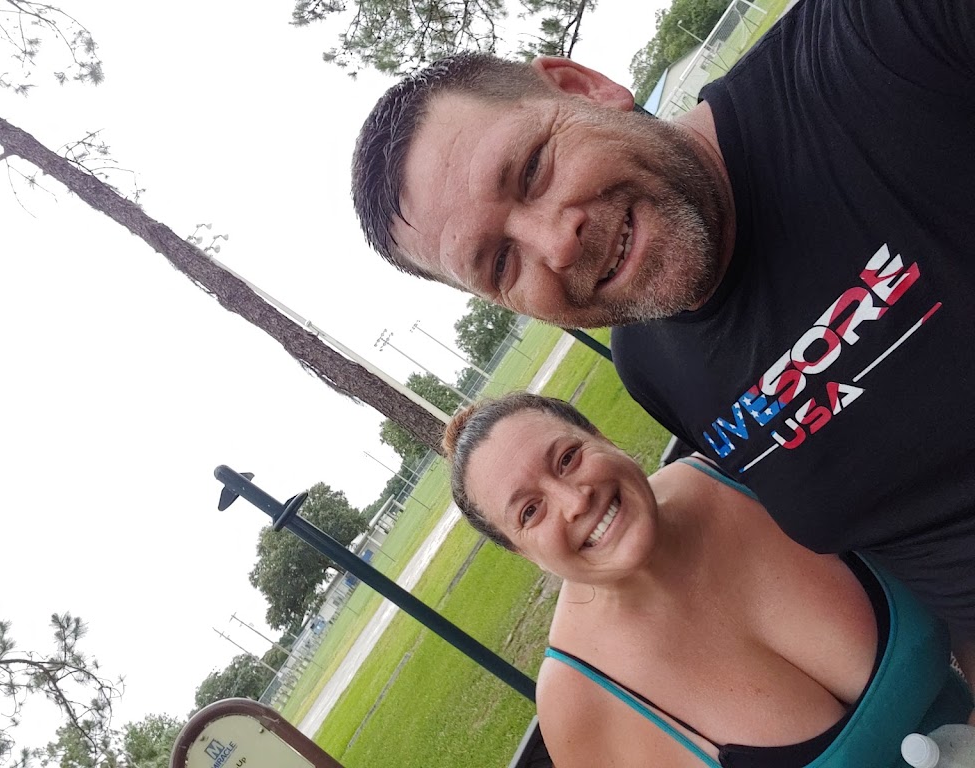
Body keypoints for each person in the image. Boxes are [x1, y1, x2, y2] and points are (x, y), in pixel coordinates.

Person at [350, 0, 975, 685]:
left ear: (584, 87)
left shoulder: (884, 45)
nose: (557, 245)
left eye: (531, 170)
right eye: (501, 263)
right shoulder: (650, 366)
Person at [443, 392, 972, 767]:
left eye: (568, 457)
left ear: (602, 438)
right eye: (530, 511)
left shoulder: (750, 469)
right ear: (523, 553)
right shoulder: (580, 705)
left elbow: (949, 555)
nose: (574, 500)